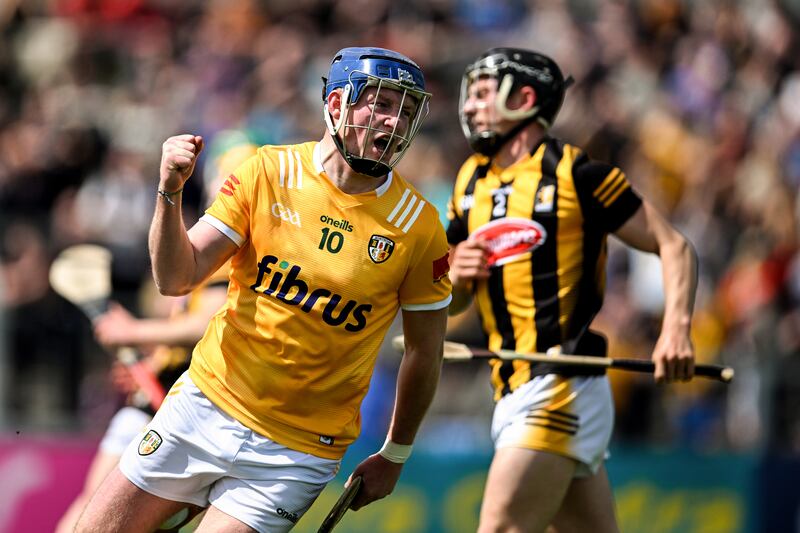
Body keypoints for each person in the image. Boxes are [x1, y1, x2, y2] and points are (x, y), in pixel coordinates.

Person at [75, 46, 452, 533]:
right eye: (379, 103)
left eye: (405, 109)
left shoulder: (418, 226)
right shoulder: (267, 172)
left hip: (296, 452)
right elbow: (176, 278)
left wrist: (395, 453)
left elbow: (425, 352)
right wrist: (170, 191)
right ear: (336, 104)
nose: (393, 122)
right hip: (204, 406)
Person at [446, 48, 697, 533]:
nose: (470, 107)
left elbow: (674, 246)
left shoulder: (576, 174)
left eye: (481, 94)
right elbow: (452, 300)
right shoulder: (469, 181)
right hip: (509, 388)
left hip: (558, 383)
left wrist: (676, 331)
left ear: (523, 97)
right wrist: (458, 278)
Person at [58, 139, 257, 533]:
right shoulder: (215, 249)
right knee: (91, 513)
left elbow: (206, 323)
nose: (224, 188)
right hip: (162, 404)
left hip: (185, 409)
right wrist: (152, 356)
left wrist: (132, 331)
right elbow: (196, 323)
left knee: (99, 516)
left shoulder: (240, 254)